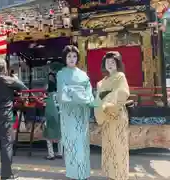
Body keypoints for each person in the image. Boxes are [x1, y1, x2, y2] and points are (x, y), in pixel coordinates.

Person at [56, 45, 95, 180]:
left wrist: (77, 94)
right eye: (69, 56)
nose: (72, 59)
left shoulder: (83, 75)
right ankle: (73, 173)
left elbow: (89, 95)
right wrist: (79, 94)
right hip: (68, 114)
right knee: (71, 142)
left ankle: (83, 172)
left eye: (74, 56)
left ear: (77, 58)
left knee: (82, 142)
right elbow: (62, 94)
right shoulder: (61, 74)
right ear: (65, 59)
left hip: (81, 113)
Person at [0, 58, 27, 180]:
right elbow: (23, 87)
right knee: (6, 145)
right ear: (3, 68)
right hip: (5, 117)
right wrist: (15, 78)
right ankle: (6, 175)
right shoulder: (8, 80)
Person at [94, 51, 130, 180]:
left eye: (113, 62)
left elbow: (123, 92)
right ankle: (110, 174)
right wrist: (100, 107)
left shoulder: (120, 76)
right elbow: (97, 100)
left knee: (119, 146)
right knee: (108, 146)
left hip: (117, 115)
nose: (110, 64)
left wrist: (107, 103)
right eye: (107, 62)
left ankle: (120, 175)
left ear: (117, 64)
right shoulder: (100, 82)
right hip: (106, 118)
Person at [43, 61, 64, 160]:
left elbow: (46, 88)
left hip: (51, 108)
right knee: (60, 130)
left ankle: (51, 154)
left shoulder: (50, 76)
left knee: (48, 130)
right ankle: (60, 152)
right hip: (59, 108)